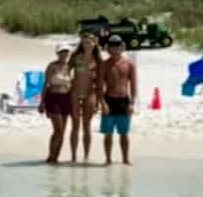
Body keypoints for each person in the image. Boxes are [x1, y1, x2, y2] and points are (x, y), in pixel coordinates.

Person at [99, 34, 137, 165]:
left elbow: (134, 85)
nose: (115, 49)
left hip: (123, 101)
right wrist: (102, 103)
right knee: (108, 134)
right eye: (112, 46)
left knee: (124, 133)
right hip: (109, 100)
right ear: (108, 48)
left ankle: (125, 159)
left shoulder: (129, 65)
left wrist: (132, 103)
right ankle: (108, 159)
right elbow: (99, 86)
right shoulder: (104, 65)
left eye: (117, 46)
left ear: (122, 47)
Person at [69, 34, 102, 164]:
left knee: (87, 126)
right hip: (75, 94)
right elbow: (65, 70)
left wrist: (99, 101)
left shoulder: (98, 60)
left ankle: (86, 156)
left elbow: (100, 82)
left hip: (90, 94)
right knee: (75, 126)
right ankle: (73, 157)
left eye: (89, 42)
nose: (87, 45)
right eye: (84, 43)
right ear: (81, 44)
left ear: (94, 44)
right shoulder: (76, 57)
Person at [40, 43, 73, 164]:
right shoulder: (52, 66)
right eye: (62, 51)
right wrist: (42, 102)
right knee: (58, 130)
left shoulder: (70, 66)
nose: (64, 53)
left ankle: (55, 158)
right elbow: (46, 84)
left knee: (62, 131)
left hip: (66, 98)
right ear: (57, 53)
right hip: (53, 98)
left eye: (66, 51)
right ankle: (50, 156)